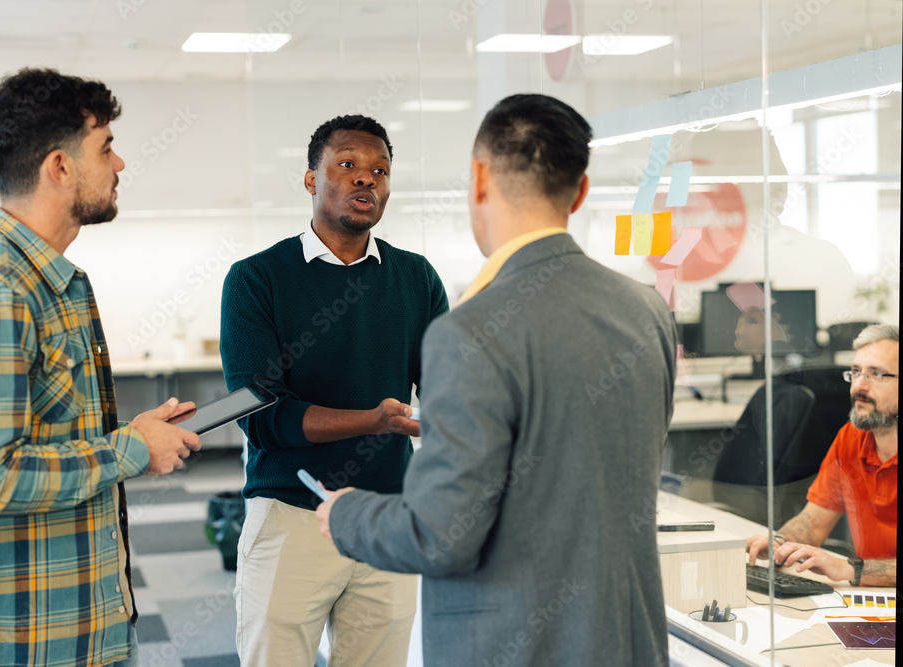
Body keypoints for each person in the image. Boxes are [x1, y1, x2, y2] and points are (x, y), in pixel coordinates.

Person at [315, 94, 677, 666]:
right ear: (579, 193)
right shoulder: (646, 309)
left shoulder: (471, 330)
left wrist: (346, 514)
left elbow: (442, 534)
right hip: (625, 640)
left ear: (479, 178)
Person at [0, 67, 201, 667]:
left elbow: (42, 439)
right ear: (59, 167)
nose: (119, 166)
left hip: (70, 627)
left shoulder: (49, 281)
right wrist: (129, 450)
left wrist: (137, 436)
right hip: (20, 644)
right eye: (106, 147)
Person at [219, 114, 448, 666]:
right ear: (310, 179)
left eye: (379, 171)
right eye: (347, 165)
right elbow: (260, 415)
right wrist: (375, 420)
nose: (365, 180)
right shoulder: (256, 279)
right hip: (290, 515)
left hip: (386, 517)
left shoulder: (416, 278)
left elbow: (447, 386)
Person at [746, 324, 897, 587]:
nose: (858, 386)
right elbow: (813, 522)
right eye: (855, 373)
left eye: (876, 374)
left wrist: (849, 568)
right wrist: (780, 541)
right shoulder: (851, 438)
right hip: (872, 601)